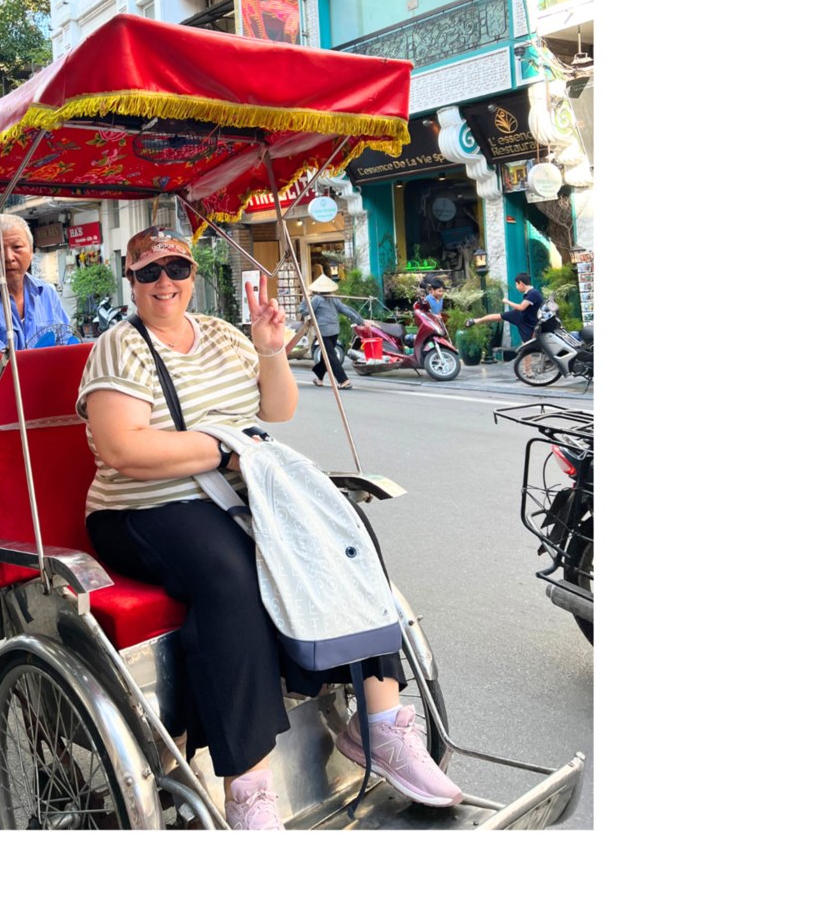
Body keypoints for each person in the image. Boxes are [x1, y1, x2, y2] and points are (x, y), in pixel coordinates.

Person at [77, 227, 459, 829]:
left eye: (176, 268)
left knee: (344, 531)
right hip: (143, 507)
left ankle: (381, 722)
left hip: (239, 491)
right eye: (148, 272)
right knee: (231, 574)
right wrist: (225, 451)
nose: (164, 282)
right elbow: (124, 449)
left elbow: (277, 410)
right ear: (131, 281)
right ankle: (248, 787)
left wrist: (271, 350)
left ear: (193, 274)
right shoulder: (119, 347)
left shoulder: (223, 335)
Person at [0, 214, 76, 354]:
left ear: (31, 251)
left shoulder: (46, 293)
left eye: (17, 247)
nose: (8, 257)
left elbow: (67, 345)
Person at [306, 274, 365, 389]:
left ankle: (344, 380)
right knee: (326, 355)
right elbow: (346, 310)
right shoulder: (333, 298)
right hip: (334, 331)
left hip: (323, 332)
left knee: (330, 356)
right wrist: (360, 320)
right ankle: (319, 378)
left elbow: (304, 311)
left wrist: (306, 300)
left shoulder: (316, 299)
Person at [470, 273, 546, 359]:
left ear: (520, 283)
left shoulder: (533, 293)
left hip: (527, 321)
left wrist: (507, 301)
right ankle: (476, 321)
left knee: (526, 348)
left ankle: (527, 368)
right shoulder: (531, 293)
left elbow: (521, 307)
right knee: (499, 316)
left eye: (516, 285)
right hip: (523, 318)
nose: (516, 287)